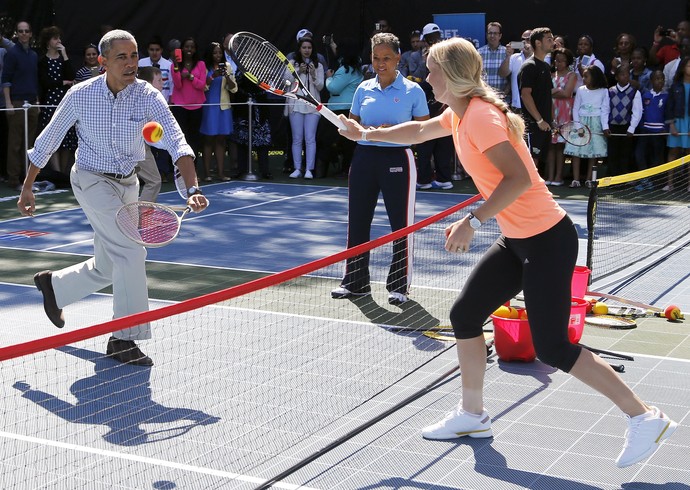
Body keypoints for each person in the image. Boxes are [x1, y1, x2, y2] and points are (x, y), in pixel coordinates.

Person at [336, 36, 677, 469]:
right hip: (519, 240)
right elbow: (420, 130)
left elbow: (515, 179)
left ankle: (644, 417)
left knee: (554, 347)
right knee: (464, 316)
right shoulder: (459, 114)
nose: (427, 76)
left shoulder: (480, 118)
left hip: (547, 241)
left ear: (453, 75)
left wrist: (473, 221)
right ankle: (473, 415)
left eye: (432, 69)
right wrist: (365, 133)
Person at [17, 29, 209, 366]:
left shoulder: (148, 96)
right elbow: (48, 141)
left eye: (134, 55)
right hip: (91, 180)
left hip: (127, 184)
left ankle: (54, 287)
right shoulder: (80, 95)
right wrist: (28, 186)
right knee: (132, 251)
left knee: (110, 264)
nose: (131, 63)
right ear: (103, 62)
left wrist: (193, 188)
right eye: (122, 56)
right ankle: (124, 339)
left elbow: (178, 142)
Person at [330, 32, 429, 305]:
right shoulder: (363, 89)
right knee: (358, 222)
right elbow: (352, 128)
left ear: (398, 57)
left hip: (398, 160)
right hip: (363, 159)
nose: (380, 63)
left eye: (386, 58)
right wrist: (349, 128)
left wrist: (391, 132)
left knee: (401, 226)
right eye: (376, 58)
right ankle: (355, 282)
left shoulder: (413, 90)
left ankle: (399, 286)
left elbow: (422, 132)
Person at [2, 21, 40, 189]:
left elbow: (35, 80)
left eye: (26, 31)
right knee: (15, 143)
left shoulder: (33, 55)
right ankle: (14, 180)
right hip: (17, 102)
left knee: (30, 144)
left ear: (31, 33)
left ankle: (28, 179)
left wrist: (37, 101)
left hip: (32, 102)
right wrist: (9, 103)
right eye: (20, 31)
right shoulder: (11, 54)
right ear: (17, 34)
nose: (24, 34)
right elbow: (6, 80)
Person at [319, 37, 363, 178]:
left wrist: (329, 77)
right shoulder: (355, 69)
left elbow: (333, 87)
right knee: (347, 143)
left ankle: (339, 170)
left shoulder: (345, 70)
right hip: (348, 109)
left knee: (331, 141)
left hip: (340, 110)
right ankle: (345, 169)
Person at [37, 26, 77, 177]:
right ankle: (57, 172)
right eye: (55, 38)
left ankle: (63, 172)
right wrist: (62, 83)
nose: (59, 41)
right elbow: (45, 82)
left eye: (59, 37)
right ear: (48, 42)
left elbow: (71, 75)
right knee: (52, 137)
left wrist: (65, 55)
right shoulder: (42, 61)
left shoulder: (62, 59)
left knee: (66, 137)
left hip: (64, 100)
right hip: (51, 101)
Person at [565, 65, 610, 187]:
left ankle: (590, 179)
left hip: (596, 124)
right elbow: (575, 108)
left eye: (586, 76)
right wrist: (578, 125)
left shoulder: (604, 91)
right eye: (583, 76)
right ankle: (575, 179)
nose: (583, 78)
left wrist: (605, 126)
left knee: (593, 153)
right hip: (581, 123)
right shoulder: (580, 90)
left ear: (595, 77)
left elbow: (605, 110)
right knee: (576, 152)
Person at [286, 37, 324, 179]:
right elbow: (286, 81)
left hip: (313, 106)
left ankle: (309, 169)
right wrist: (298, 71)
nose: (307, 50)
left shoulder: (318, 65)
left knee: (310, 138)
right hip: (295, 105)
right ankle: (297, 168)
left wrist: (313, 75)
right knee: (297, 138)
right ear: (299, 49)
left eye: (309, 48)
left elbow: (320, 86)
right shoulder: (292, 63)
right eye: (304, 47)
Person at [518, 27, 555, 173]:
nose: (553, 42)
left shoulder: (546, 67)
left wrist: (551, 120)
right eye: (549, 39)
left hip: (544, 124)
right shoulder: (529, 67)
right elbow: (525, 95)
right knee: (530, 162)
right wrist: (539, 120)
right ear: (538, 43)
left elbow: (548, 95)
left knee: (536, 163)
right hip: (533, 124)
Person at [200, 41, 236, 182]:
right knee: (208, 140)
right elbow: (202, 87)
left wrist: (226, 76)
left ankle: (221, 173)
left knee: (221, 141)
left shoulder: (227, 66)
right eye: (215, 52)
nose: (218, 55)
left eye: (220, 52)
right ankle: (207, 173)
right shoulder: (204, 67)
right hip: (209, 107)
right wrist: (213, 76)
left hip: (224, 107)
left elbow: (234, 88)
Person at [170, 36, 207, 162]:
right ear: (182, 49)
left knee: (194, 137)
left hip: (197, 106)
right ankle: (179, 167)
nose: (189, 49)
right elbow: (178, 85)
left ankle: (194, 167)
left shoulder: (201, 64)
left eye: (192, 47)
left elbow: (202, 85)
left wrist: (190, 77)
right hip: (180, 105)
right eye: (186, 46)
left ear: (195, 49)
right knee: (181, 137)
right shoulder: (175, 65)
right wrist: (176, 66)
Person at [545, 47, 576, 186]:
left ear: (568, 62)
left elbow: (567, 94)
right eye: (557, 60)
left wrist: (553, 91)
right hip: (551, 111)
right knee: (551, 146)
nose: (559, 63)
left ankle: (559, 177)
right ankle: (550, 177)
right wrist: (557, 91)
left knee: (560, 146)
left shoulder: (572, 75)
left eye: (563, 61)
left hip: (565, 113)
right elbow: (545, 93)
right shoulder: (550, 75)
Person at [607, 63, 642, 177]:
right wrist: (605, 127)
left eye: (627, 75)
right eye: (622, 74)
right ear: (617, 77)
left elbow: (637, 111)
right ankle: (612, 178)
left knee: (625, 154)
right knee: (612, 153)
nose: (625, 77)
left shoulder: (634, 92)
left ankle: (623, 179)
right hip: (612, 127)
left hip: (626, 127)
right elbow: (605, 109)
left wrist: (631, 128)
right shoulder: (610, 91)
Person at [634, 70, 668, 190]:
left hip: (659, 132)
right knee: (639, 154)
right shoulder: (646, 96)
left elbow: (668, 114)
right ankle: (644, 179)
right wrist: (642, 128)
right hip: (645, 131)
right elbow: (641, 114)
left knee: (657, 157)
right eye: (657, 78)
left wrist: (665, 128)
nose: (660, 81)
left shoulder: (666, 96)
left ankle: (654, 182)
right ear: (652, 81)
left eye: (662, 78)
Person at [135, 65, 164, 202]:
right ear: (149, 84)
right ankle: (142, 216)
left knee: (125, 183)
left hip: (129, 145)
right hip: (137, 146)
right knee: (154, 181)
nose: (162, 83)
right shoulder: (149, 100)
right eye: (159, 80)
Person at [663, 56, 690, 191]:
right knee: (673, 152)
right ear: (683, 68)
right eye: (689, 66)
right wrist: (672, 125)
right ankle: (669, 183)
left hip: (689, 123)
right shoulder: (675, 86)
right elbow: (669, 107)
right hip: (677, 122)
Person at [498, 29, 532, 112]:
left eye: (528, 39)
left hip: (534, 106)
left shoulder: (541, 58)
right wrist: (508, 56)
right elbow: (502, 74)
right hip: (517, 106)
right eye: (523, 39)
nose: (524, 42)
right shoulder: (514, 57)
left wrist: (531, 53)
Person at [138, 36, 173, 103]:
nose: (154, 53)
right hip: (144, 102)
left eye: (157, 50)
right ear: (148, 50)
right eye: (151, 50)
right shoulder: (141, 63)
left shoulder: (168, 65)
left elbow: (171, 85)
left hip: (163, 102)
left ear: (161, 50)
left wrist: (170, 102)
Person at [477, 22, 508, 95]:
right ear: (486, 35)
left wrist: (504, 94)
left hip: (504, 99)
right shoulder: (479, 53)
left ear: (500, 36)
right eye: (490, 33)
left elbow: (511, 78)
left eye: (495, 33)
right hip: (485, 97)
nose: (492, 36)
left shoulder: (507, 53)